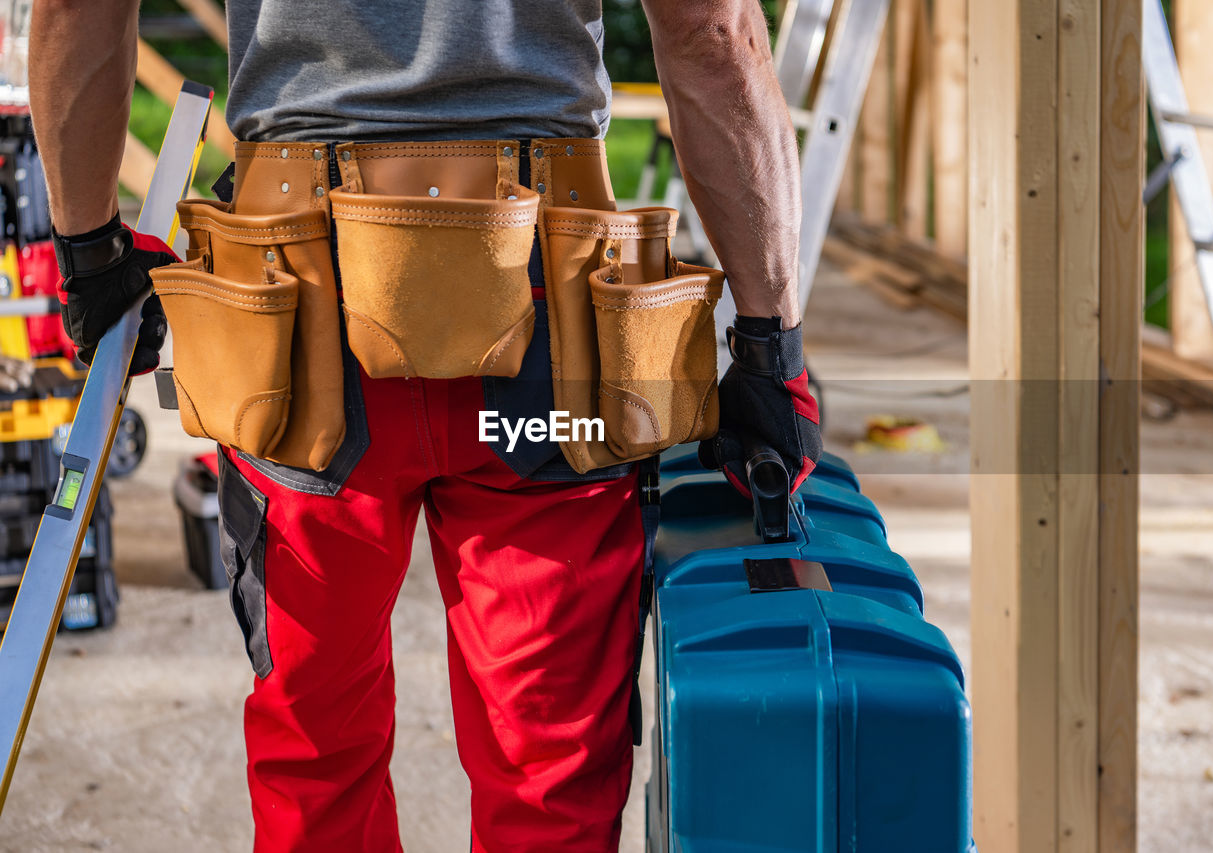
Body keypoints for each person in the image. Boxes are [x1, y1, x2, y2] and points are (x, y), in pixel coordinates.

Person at [29, 0, 822, 849]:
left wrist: (88, 249)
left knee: (315, 757)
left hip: (304, 316)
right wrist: (771, 343)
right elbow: (711, 31)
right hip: (540, 324)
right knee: (547, 768)